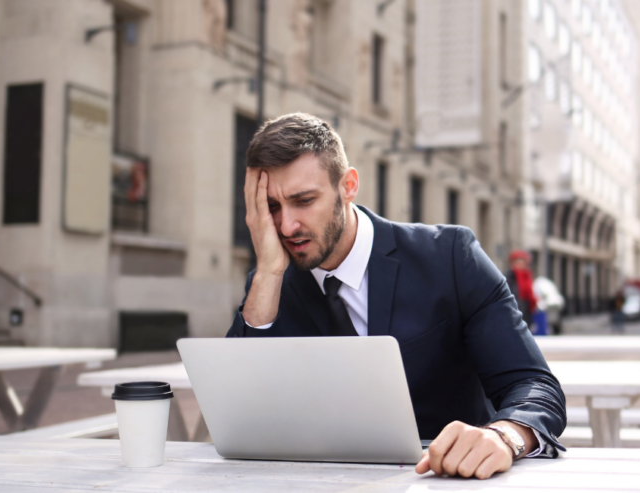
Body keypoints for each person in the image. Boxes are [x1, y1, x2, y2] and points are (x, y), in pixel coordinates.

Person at [227, 113, 566, 480]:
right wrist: (268, 273)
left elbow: (534, 386)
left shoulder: (450, 257)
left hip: (445, 481)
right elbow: (236, 411)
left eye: (304, 201)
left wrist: (503, 436)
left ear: (348, 186)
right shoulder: (270, 285)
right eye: (272, 208)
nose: (287, 226)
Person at [505, 250, 538, 333]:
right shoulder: (510, 277)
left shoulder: (527, 275)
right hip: (515, 309)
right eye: (518, 262)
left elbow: (531, 293)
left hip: (527, 310)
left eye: (523, 262)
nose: (521, 265)